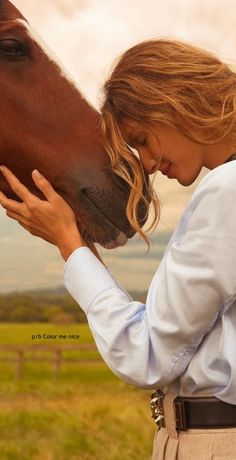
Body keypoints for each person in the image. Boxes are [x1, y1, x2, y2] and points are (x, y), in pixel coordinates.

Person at [0, 38, 236, 460]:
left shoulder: (226, 191)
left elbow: (145, 355)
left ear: (174, 102)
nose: (145, 163)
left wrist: (70, 244)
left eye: (142, 139)